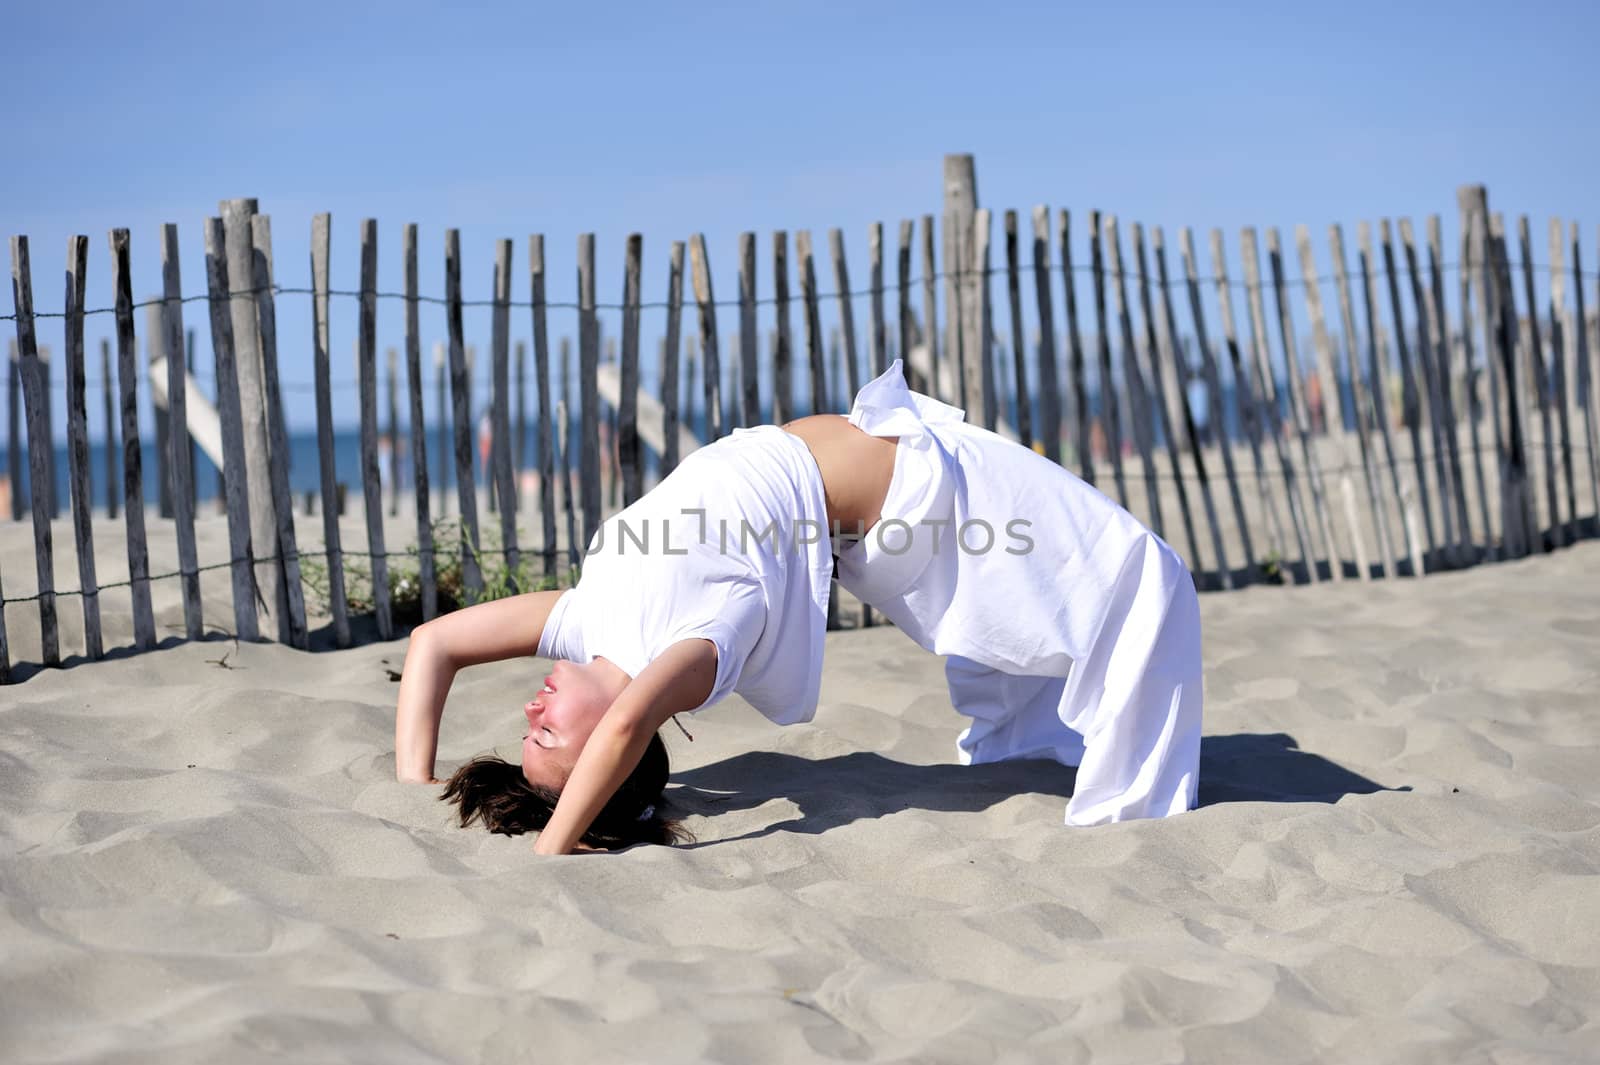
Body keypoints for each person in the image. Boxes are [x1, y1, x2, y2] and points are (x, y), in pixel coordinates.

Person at [393, 358, 1204, 853]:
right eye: (545, 733)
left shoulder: (582, 617)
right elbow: (623, 722)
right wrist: (554, 851)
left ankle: (1051, 748)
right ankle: (1128, 799)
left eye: (529, 724)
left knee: (1102, 598)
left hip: (890, 471)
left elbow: (433, 643)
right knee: (1140, 577)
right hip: (926, 503)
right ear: (618, 754)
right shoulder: (699, 651)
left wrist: (410, 782)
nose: (532, 705)